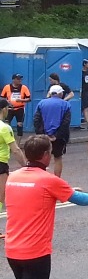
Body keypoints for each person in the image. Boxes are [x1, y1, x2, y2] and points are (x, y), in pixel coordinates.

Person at [4, 135, 88, 279]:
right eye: (50, 151)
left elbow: (34, 197)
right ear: (45, 155)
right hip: (35, 253)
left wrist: (64, 191)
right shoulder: (49, 180)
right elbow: (82, 200)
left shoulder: (13, 177)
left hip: (12, 251)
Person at [0, 98, 26, 234]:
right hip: (1, 164)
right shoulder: (5, 127)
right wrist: (26, 165)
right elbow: (15, 149)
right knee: (0, 197)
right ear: (4, 109)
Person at [32, 86, 70, 178]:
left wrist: (42, 134)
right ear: (60, 94)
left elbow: (36, 120)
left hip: (43, 136)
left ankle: (41, 179)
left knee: (40, 158)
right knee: (58, 158)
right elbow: (66, 122)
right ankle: (57, 179)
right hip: (59, 137)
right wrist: (57, 135)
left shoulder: (41, 103)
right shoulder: (66, 104)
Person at [1, 74, 30, 142]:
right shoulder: (7, 87)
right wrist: (7, 101)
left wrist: (21, 100)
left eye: (20, 79)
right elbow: (2, 97)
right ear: (13, 80)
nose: (20, 80)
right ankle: (7, 141)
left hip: (20, 109)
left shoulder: (24, 87)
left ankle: (18, 143)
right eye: (18, 79)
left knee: (19, 125)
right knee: (6, 124)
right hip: (9, 109)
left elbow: (28, 99)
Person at [80, 59, 88, 127]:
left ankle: (87, 122)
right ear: (85, 64)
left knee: (86, 107)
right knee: (85, 107)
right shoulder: (80, 72)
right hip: (83, 91)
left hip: (87, 91)